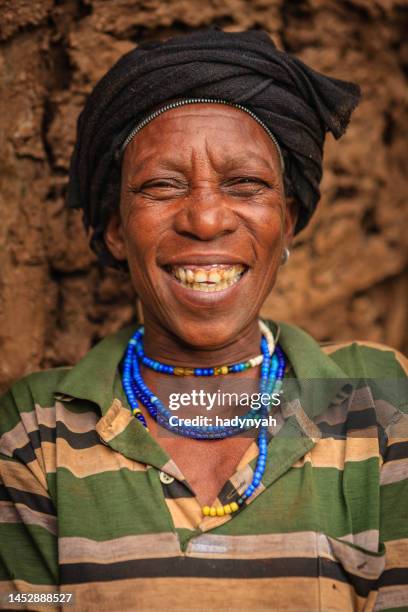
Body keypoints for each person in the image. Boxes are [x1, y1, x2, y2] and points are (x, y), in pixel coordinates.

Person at [0, 28, 407, 612]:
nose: (208, 219)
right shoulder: (39, 430)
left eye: (245, 184)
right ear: (117, 229)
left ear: (287, 222)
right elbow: (36, 602)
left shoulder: (376, 399)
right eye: (163, 186)